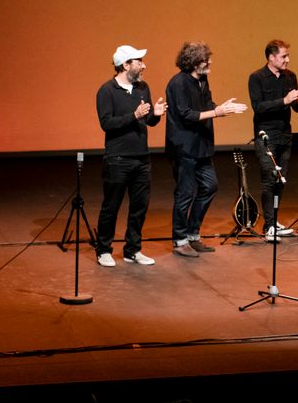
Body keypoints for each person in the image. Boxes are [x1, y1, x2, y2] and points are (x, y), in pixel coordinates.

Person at [166, 41, 247, 257]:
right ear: (194, 62)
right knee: (185, 193)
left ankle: (193, 235)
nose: (209, 62)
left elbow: (207, 104)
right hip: (184, 147)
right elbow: (186, 114)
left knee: (210, 187)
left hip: (202, 146)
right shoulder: (178, 83)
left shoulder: (202, 79)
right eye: (205, 59)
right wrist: (217, 113)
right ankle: (180, 240)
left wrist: (221, 107)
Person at [95, 45, 166, 267]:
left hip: (142, 157)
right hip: (118, 159)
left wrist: (155, 115)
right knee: (111, 206)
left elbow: (147, 121)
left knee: (139, 207)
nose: (143, 65)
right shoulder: (107, 91)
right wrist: (133, 115)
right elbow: (107, 124)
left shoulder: (143, 87)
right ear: (125, 65)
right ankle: (103, 250)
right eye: (139, 61)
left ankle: (132, 250)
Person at [247, 39, 298, 240]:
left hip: (285, 135)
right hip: (266, 136)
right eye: (284, 56)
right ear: (271, 57)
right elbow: (258, 107)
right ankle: (268, 226)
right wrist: (284, 100)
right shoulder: (256, 77)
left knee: (281, 180)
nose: (287, 60)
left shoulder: (290, 77)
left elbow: (296, 108)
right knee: (269, 179)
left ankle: (273, 221)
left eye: (287, 56)